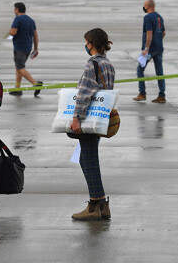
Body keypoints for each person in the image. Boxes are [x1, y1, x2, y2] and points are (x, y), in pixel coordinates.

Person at [70, 28, 115, 221]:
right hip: (101, 118)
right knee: (87, 158)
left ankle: (94, 205)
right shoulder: (108, 64)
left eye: (87, 42)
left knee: (88, 160)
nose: (85, 46)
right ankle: (103, 206)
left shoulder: (92, 66)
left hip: (88, 118)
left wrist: (76, 117)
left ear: (91, 43)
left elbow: (84, 93)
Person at [134, 0, 166, 103]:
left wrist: (146, 48)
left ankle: (142, 93)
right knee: (159, 72)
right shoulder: (159, 17)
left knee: (140, 70)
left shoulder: (148, 17)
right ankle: (162, 95)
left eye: (144, 5)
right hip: (159, 48)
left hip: (150, 50)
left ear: (147, 6)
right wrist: (158, 41)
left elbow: (149, 33)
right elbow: (163, 33)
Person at [8, 2, 42, 96]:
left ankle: (35, 83)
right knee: (18, 67)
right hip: (28, 47)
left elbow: (13, 32)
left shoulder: (17, 19)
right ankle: (17, 88)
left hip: (19, 47)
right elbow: (35, 35)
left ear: (17, 9)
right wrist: (36, 48)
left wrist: (10, 32)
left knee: (20, 68)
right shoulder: (31, 20)